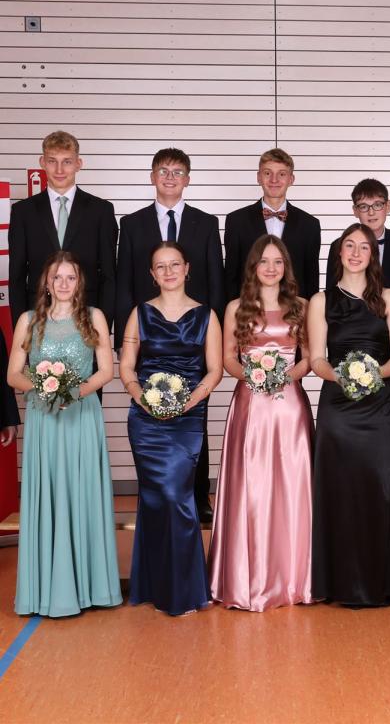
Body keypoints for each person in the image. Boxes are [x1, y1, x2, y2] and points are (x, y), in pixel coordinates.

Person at [115, 147, 225, 522]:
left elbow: (215, 280)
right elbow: (124, 282)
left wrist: (210, 335)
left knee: (195, 417)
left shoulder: (206, 222)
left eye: (178, 171)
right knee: (151, 415)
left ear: (187, 180)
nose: (170, 177)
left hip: (194, 335)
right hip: (148, 334)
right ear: (152, 176)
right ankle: (158, 497)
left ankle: (198, 494)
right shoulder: (132, 223)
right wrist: (126, 344)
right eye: (163, 170)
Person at [8, 251, 121, 617]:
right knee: (49, 494)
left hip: (81, 416)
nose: (63, 283)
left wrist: (73, 392)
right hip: (45, 420)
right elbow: (13, 374)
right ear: (46, 282)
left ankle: (90, 588)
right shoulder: (28, 320)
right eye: (56, 277)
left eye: (70, 277)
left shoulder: (94, 317)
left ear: (79, 282)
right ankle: (46, 591)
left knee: (81, 492)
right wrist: (46, 389)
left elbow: (106, 371)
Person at [308, 223, 390, 607]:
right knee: (339, 490)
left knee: (378, 488)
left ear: (373, 254)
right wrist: (343, 377)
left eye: (363, 247)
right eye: (348, 246)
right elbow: (316, 358)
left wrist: (371, 375)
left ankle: (378, 582)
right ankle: (338, 583)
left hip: (379, 405)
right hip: (338, 407)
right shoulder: (321, 301)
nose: (355, 253)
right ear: (339, 252)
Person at [209, 235, 313, 611]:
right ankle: (246, 578)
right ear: (253, 266)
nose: (271, 268)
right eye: (264, 261)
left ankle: (294, 577)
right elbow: (228, 359)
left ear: (286, 267)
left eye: (277, 262)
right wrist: (254, 376)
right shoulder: (236, 307)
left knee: (292, 486)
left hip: (289, 406)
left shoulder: (301, 306)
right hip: (251, 405)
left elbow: (309, 358)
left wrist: (284, 377)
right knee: (250, 487)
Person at [120, 242, 223, 616]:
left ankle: (184, 589)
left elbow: (215, 370)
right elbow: (126, 366)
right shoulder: (139, 314)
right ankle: (152, 584)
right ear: (152, 273)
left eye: (174, 264)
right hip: (145, 420)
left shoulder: (207, 316)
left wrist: (187, 402)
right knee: (153, 499)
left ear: (187, 268)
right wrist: (142, 398)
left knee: (176, 496)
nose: (168, 272)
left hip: (187, 418)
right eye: (160, 266)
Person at [326, 178, 390, 450]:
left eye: (377, 205)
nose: (371, 212)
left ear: (388, 206)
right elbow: (333, 298)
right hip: (349, 347)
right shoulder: (338, 246)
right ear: (355, 210)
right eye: (364, 206)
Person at [9, 131, 118, 328]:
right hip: (37, 318)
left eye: (67, 161)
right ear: (42, 162)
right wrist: (21, 329)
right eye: (52, 161)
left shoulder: (101, 211)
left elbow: (109, 276)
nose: (59, 169)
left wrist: (102, 326)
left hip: (87, 318)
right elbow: (16, 277)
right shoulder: (22, 212)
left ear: (78, 164)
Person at [225, 148, 321, 301]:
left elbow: (311, 279)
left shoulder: (310, 225)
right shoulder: (236, 221)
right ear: (258, 177)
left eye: (281, 174)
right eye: (267, 173)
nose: (274, 180)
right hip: (248, 308)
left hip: (294, 310)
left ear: (291, 179)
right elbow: (231, 277)